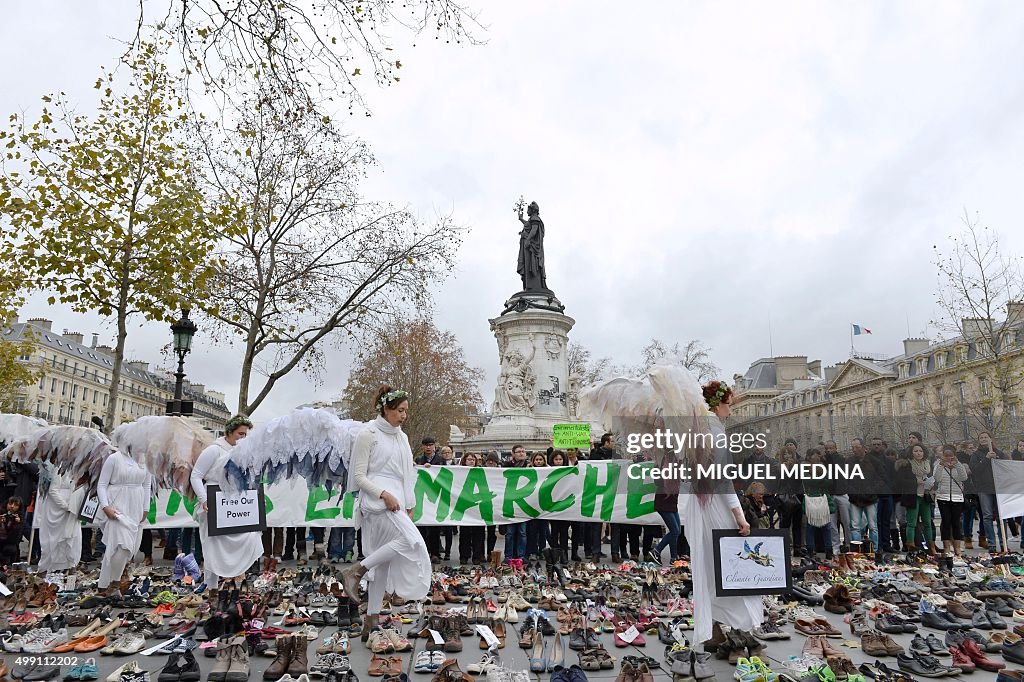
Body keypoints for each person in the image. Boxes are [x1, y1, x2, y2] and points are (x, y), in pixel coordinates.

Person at [342, 386, 431, 639]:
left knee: (383, 564)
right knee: (411, 541)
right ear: (386, 409)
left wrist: (409, 500)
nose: (404, 415)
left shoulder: (401, 436)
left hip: (398, 502)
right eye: (400, 410)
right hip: (377, 503)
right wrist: (383, 493)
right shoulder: (367, 434)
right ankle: (356, 570)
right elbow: (358, 476)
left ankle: (371, 620)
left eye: (406, 411)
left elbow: (407, 472)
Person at [687, 380, 762, 649]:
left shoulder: (695, 430)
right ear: (718, 404)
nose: (731, 410)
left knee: (709, 567)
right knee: (734, 565)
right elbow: (723, 480)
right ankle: (740, 628)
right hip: (716, 506)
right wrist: (739, 516)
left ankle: (716, 629)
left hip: (698, 507)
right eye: (729, 405)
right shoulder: (714, 432)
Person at [190, 415, 262, 594]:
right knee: (212, 546)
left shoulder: (244, 451)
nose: (243, 438)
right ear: (229, 432)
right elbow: (196, 475)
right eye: (240, 433)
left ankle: (236, 583)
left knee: (247, 537)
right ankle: (213, 589)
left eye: (246, 434)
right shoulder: (215, 450)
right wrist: (204, 499)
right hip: (214, 500)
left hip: (235, 503)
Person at [97, 448, 156, 593]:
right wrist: (105, 506)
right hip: (117, 505)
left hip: (136, 506)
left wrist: (146, 507)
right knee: (121, 546)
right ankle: (115, 584)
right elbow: (102, 484)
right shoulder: (114, 458)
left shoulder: (144, 460)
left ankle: (104, 585)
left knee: (130, 548)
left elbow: (147, 484)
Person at [35, 467, 86, 573]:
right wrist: (65, 506)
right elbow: (52, 490)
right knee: (55, 540)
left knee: (73, 536)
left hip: (71, 507)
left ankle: (68, 566)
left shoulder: (73, 469)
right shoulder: (57, 469)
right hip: (57, 509)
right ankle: (51, 568)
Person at [970, 432, 1008, 552]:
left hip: (999, 488)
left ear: (991, 439)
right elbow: (975, 470)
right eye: (981, 438)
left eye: (986, 437)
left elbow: (1006, 467)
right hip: (984, 489)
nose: (983, 439)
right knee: (987, 516)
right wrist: (986, 459)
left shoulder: (999, 453)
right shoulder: (976, 455)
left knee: (1002, 517)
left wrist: (997, 459)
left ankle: (1004, 543)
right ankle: (992, 543)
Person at [896, 443, 937, 553]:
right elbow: (900, 481)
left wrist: (932, 485)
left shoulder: (927, 464)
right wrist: (916, 482)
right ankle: (911, 545)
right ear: (911, 453)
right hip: (913, 496)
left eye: (920, 451)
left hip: (926, 495)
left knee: (927, 522)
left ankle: (931, 546)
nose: (919, 453)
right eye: (916, 451)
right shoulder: (906, 464)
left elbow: (932, 478)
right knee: (912, 523)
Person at [935, 444, 969, 556]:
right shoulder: (938, 464)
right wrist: (941, 465)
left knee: (956, 523)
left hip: (957, 498)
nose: (949, 457)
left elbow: (964, 478)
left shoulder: (959, 465)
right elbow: (937, 478)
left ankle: (957, 548)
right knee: (946, 522)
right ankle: (946, 547)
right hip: (943, 497)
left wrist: (957, 464)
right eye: (946, 455)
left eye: (951, 455)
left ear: (954, 455)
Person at [802, 449, 834, 559]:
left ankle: (829, 550)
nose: (818, 458)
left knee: (826, 526)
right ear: (809, 457)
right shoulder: (804, 468)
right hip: (810, 499)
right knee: (810, 526)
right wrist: (821, 479)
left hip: (823, 498)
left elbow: (829, 481)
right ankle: (810, 550)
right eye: (815, 456)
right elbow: (807, 480)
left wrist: (817, 479)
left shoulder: (823, 467)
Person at [458, 453, 486, 565]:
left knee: (478, 534)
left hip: (478, 508)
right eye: (469, 459)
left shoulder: (481, 472)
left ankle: (476, 556)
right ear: (464, 461)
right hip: (465, 507)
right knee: (464, 534)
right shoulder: (459, 473)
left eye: (473, 460)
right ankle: (464, 556)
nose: (471, 461)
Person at [502, 445, 529, 561]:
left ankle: (521, 556)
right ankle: (508, 556)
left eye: (523, 451)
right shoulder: (506, 466)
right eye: (519, 452)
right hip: (510, 504)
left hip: (523, 504)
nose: (521, 453)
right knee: (510, 533)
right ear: (513, 454)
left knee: (522, 533)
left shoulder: (529, 465)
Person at [526, 452, 550, 559]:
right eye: (536, 460)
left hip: (543, 505)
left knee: (543, 530)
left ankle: (542, 550)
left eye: (541, 459)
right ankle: (533, 551)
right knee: (532, 530)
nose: (539, 461)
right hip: (532, 505)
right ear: (533, 461)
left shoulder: (548, 471)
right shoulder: (529, 472)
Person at [0, 496, 25, 565]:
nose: (12, 506)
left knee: (10, 549)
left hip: (9, 543)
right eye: (10, 504)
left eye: (16, 505)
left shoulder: (19, 517)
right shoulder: (1, 512)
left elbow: (15, 539)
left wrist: (17, 524)